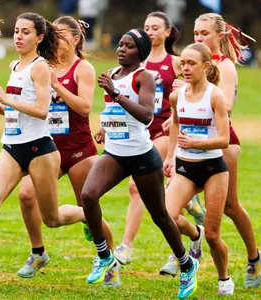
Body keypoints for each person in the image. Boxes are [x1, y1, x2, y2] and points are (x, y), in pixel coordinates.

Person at [0, 12, 86, 288]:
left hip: (40, 149)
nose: (18, 36)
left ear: (39, 38)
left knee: (52, 219)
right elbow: (19, 108)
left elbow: (41, 111)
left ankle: (88, 214)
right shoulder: (15, 65)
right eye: (16, 31)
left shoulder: (40, 67)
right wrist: (6, 109)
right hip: (12, 146)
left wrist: (7, 99)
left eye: (25, 32)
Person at [80, 28, 197, 298]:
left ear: (140, 52)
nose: (121, 49)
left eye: (129, 46)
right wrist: (104, 128)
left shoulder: (144, 77)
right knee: (88, 196)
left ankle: (186, 263)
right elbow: (113, 110)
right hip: (115, 153)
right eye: (120, 44)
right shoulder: (112, 74)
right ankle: (104, 256)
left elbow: (145, 115)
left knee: (160, 217)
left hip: (142, 156)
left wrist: (116, 94)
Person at [161, 12, 261, 289]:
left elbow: (226, 107)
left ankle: (254, 258)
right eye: (195, 34)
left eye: (204, 34)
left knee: (230, 206)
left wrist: (195, 87)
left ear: (219, 36)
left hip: (224, 143)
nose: (198, 38)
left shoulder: (225, 67)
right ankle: (184, 250)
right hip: (189, 146)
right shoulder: (189, 61)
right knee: (172, 203)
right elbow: (180, 109)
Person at [16, 15, 114, 278]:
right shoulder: (41, 65)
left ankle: (109, 262)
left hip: (79, 150)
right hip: (49, 148)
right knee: (26, 195)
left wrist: (57, 84)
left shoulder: (83, 68)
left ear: (74, 39)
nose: (54, 40)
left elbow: (84, 107)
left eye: (59, 35)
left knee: (91, 210)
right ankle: (38, 252)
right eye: (52, 35)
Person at [113, 11, 205, 265]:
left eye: (155, 27)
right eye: (146, 27)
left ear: (167, 32)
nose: (150, 31)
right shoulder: (134, 62)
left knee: (135, 187)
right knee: (161, 203)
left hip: (163, 129)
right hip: (137, 129)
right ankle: (192, 222)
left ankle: (125, 247)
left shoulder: (176, 63)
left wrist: (181, 97)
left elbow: (195, 87)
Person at [165, 42, 234, 295]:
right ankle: (194, 238)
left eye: (191, 63)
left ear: (205, 66)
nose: (185, 67)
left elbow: (225, 139)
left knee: (214, 236)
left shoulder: (215, 95)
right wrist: (171, 156)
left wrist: (197, 142)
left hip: (213, 168)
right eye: (182, 63)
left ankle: (224, 278)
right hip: (185, 167)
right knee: (166, 216)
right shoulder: (177, 95)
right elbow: (174, 123)